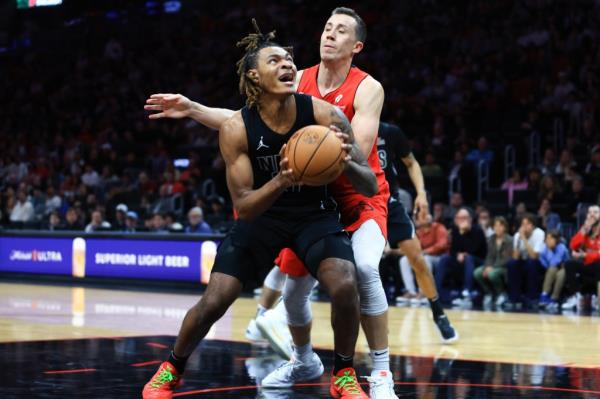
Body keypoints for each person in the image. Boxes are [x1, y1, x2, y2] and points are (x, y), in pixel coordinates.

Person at [144, 8, 402, 397]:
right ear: (253, 75)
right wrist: (195, 110)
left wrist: (344, 156)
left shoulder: (328, 108)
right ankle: (172, 367)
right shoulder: (240, 125)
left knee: (350, 278)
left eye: (288, 60)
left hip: (317, 210)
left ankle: (348, 373)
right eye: (275, 60)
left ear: (357, 45)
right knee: (218, 299)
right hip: (264, 215)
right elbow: (245, 203)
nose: (287, 65)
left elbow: (365, 181)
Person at [377, 122, 457, 340]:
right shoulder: (346, 130)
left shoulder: (389, 132)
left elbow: (411, 163)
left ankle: (438, 312)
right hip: (359, 203)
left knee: (417, 259)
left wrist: (421, 193)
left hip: (389, 203)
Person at [434, 207, 487, 307]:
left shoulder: (477, 230)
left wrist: (464, 233)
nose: (462, 220)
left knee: (469, 258)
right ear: (455, 220)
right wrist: (458, 254)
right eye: (459, 218)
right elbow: (453, 250)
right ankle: (436, 292)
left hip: (477, 261)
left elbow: (474, 250)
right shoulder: (455, 230)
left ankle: (466, 293)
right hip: (461, 260)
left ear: (470, 219)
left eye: (465, 217)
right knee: (445, 258)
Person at [395, 213, 449, 306]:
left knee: (425, 258)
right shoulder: (418, 232)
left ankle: (424, 292)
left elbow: (442, 245)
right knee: (404, 260)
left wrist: (425, 252)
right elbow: (412, 247)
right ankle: (411, 292)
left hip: (440, 258)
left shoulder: (439, 228)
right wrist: (394, 251)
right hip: (423, 256)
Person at [562, 205, 600, 311]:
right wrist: (583, 230)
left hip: (598, 265)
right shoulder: (585, 230)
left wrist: (585, 255)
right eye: (590, 212)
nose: (592, 214)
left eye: (595, 212)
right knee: (569, 264)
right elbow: (573, 246)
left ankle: (598, 298)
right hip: (587, 264)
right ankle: (576, 296)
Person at [505, 213, 546, 309]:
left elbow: (534, 256)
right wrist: (519, 241)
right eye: (523, 224)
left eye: (527, 224)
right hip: (523, 262)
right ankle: (514, 298)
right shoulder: (517, 236)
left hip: (538, 263)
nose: (524, 227)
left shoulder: (539, 233)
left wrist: (524, 239)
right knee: (511, 264)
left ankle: (532, 298)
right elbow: (515, 257)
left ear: (533, 225)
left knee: (532, 263)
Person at [473, 217, 513, 308]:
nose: (497, 228)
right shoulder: (491, 238)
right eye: (495, 226)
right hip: (491, 266)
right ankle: (489, 293)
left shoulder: (509, 240)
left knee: (492, 274)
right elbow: (489, 256)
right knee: (477, 272)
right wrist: (487, 266)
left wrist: (492, 267)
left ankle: (501, 293)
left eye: (500, 225)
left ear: (505, 227)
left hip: (504, 267)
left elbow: (507, 259)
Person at [538, 230, 569, 310]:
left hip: (564, 268)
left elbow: (555, 262)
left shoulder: (561, 247)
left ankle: (554, 298)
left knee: (561, 274)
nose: (548, 240)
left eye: (551, 238)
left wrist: (551, 249)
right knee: (552, 269)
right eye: (547, 238)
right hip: (551, 270)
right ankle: (544, 295)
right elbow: (543, 263)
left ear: (556, 240)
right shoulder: (544, 248)